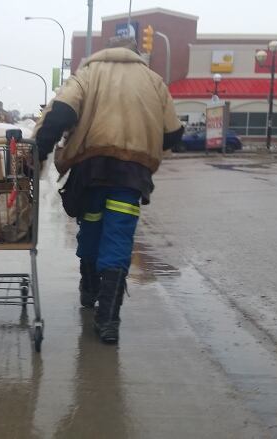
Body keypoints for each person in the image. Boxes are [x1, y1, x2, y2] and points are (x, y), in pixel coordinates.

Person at [34, 36, 183, 344]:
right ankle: (109, 319)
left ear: (104, 51)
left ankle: (89, 290)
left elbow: (61, 113)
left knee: (91, 229)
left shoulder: (87, 74)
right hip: (131, 175)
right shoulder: (154, 80)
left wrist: (38, 153)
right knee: (118, 236)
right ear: (136, 53)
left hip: (92, 171)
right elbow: (172, 133)